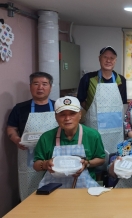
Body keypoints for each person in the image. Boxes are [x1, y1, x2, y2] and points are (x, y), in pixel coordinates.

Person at [6, 72, 58, 201]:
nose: (40, 87)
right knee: (30, 194)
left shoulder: (58, 106)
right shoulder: (20, 108)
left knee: (55, 192)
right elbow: (11, 128)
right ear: (30, 86)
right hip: (28, 157)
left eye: (44, 84)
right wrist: (17, 140)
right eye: (36, 84)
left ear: (50, 87)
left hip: (54, 158)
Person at [33, 96, 105, 188]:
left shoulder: (93, 135)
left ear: (80, 114)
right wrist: (45, 164)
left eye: (72, 113)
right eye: (62, 114)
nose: (67, 118)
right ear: (56, 116)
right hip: (52, 189)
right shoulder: (46, 137)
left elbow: (101, 159)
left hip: (85, 188)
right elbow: (36, 165)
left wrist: (87, 163)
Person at [77, 46, 127, 155]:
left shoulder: (121, 80)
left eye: (112, 58)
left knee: (115, 156)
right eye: (105, 57)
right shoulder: (88, 78)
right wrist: (92, 112)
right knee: (94, 153)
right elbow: (81, 100)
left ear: (115, 60)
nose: (108, 60)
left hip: (115, 127)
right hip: (95, 124)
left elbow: (122, 103)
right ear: (99, 58)